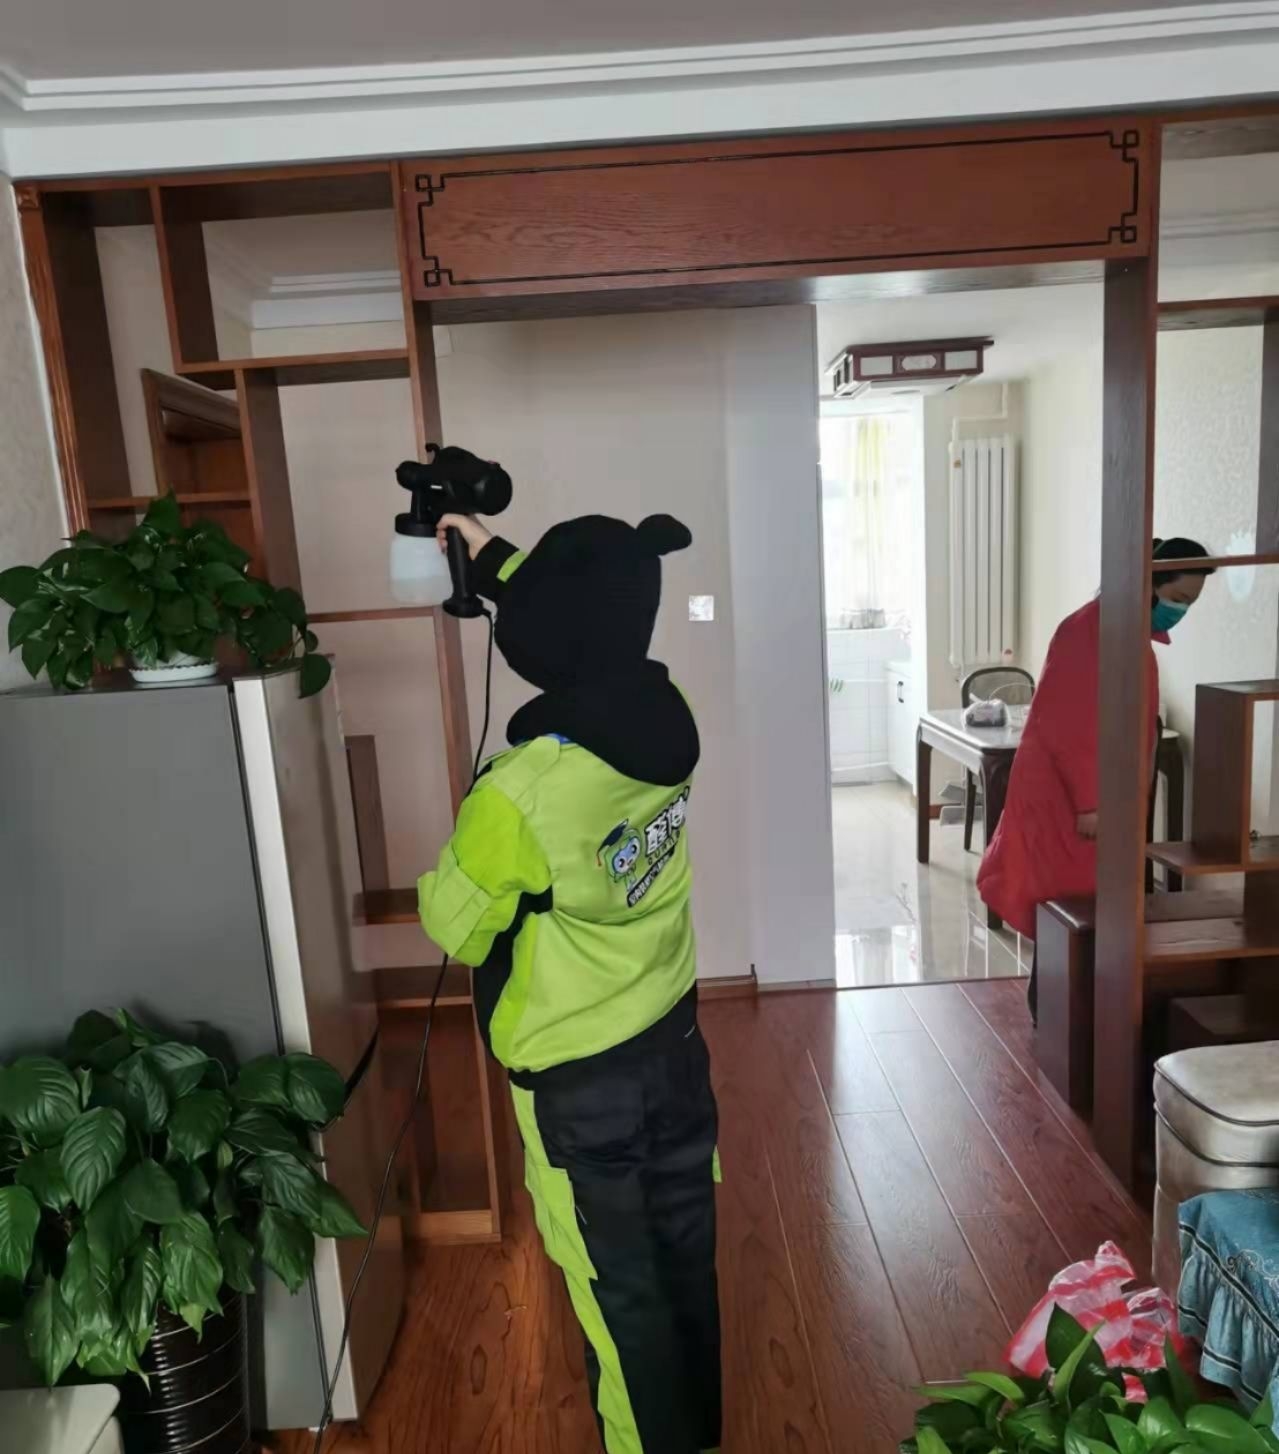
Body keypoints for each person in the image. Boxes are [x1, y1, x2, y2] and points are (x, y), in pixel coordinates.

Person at [418, 508, 721, 1454]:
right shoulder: (667, 720)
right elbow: (589, 612)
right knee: (681, 1254)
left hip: (579, 1084)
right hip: (674, 1044)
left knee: (614, 1292)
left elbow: (453, 925)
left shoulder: (524, 790)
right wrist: (491, 552)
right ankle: (699, 1429)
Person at [977, 537, 1215, 1022]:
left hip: (1096, 800)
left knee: (1085, 909)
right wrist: (1091, 803)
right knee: (1068, 907)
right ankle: (1057, 1019)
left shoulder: (1124, 631)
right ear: (1149, 584)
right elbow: (1068, 724)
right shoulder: (1089, 630)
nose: (1180, 612)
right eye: (1178, 598)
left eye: (1189, 604)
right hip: (1072, 803)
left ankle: (1074, 1020)